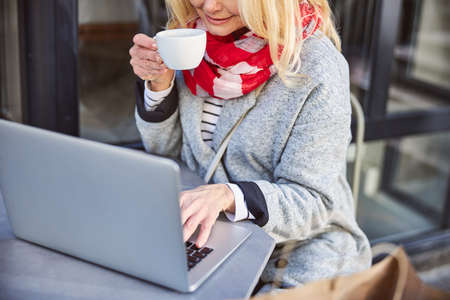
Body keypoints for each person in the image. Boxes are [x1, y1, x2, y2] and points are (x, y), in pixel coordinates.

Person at [129, 0, 371, 292]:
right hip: (215, 234)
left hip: (300, 248)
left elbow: (314, 203)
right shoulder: (191, 40)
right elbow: (166, 151)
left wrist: (229, 195)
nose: (209, 6)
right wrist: (159, 86)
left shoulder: (318, 66)